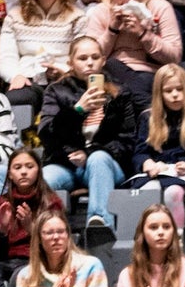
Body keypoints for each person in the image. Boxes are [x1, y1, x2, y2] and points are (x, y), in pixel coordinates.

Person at [38, 36, 135, 236]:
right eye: (82, 58)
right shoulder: (56, 91)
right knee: (45, 178)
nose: (89, 62)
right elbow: (47, 134)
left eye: (94, 57)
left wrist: (88, 154)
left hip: (106, 164)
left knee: (98, 159)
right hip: (66, 164)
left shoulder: (120, 93)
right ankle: (48, 232)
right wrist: (78, 109)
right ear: (70, 62)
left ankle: (99, 226)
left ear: (103, 60)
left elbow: (127, 140)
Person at [86, 0, 183, 104]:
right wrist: (112, 30)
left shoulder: (160, 7)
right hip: (111, 74)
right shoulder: (101, 11)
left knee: (128, 90)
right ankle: (147, 109)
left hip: (150, 73)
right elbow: (92, 58)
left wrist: (144, 34)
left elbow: (174, 57)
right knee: (112, 65)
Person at [130, 64, 185, 229]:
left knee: (173, 193)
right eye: (168, 91)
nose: (175, 95)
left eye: (180, 89)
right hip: (156, 173)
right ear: (159, 93)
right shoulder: (148, 117)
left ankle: (177, 239)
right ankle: (148, 239)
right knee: (148, 191)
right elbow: (139, 152)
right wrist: (147, 163)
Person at [0, 0, 84, 104]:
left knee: (72, 100)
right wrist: (15, 76)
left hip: (64, 79)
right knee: (16, 99)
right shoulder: (15, 16)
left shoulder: (77, 16)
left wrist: (63, 70)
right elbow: (6, 56)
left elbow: (83, 56)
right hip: (27, 79)